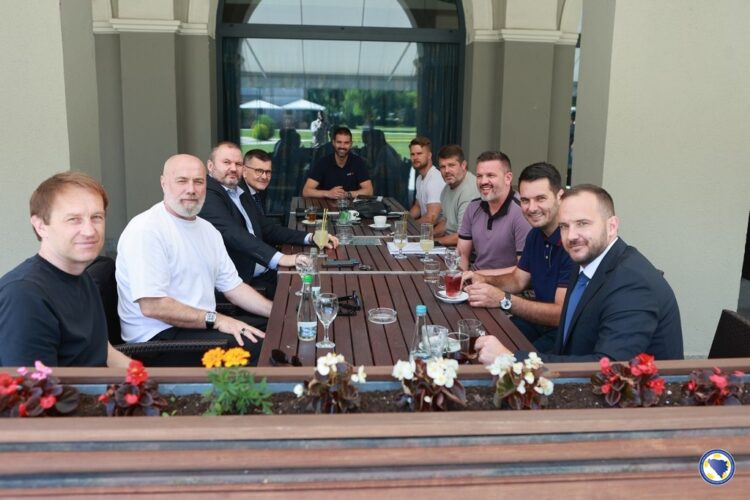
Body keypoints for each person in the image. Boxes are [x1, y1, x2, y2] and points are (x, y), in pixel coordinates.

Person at [477, 184, 684, 364]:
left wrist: (510, 359)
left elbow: (608, 367)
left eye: (583, 223)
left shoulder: (633, 283)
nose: (571, 236)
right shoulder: (585, 261)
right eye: (564, 226)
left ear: (612, 226)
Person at [116, 154, 273, 366]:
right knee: (264, 348)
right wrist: (217, 319)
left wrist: (276, 313)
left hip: (198, 326)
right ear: (163, 183)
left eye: (198, 182)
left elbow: (234, 288)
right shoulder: (146, 230)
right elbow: (153, 306)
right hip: (158, 341)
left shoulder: (207, 230)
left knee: (277, 329)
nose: (191, 189)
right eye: (182, 181)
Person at [0, 172, 131, 367]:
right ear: (40, 226)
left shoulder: (82, 277)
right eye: (74, 219)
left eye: (96, 217)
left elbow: (101, 350)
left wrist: (146, 378)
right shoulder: (24, 294)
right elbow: (33, 383)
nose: (89, 231)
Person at [199, 144, 337, 298]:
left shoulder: (237, 192)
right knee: (304, 295)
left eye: (238, 164)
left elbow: (267, 228)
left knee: (320, 281)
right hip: (243, 281)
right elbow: (234, 233)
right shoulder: (208, 194)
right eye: (226, 162)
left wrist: (310, 237)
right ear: (210, 166)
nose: (233, 168)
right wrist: (282, 258)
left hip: (263, 269)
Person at [463, 163, 573, 352]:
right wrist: (483, 278)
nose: (532, 208)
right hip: (537, 323)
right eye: (525, 200)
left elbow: (560, 315)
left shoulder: (573, 241)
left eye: (540, 199)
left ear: (560, 196)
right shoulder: (535, 234)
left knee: (500, 357)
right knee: (474, 341)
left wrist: (503, 299)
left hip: (563, 335)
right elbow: (518, 280)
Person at [457, 151, 531, 274]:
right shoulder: (473, 207)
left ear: (508, 178)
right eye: (479, 176)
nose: (483, 181)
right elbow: (462, 255)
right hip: (473, 280)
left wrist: (481, 276)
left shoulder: (522, 212)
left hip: (506, 283)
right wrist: (459, 278)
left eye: (490, 175)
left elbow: (524, 270)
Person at [302, 126, 374, 199]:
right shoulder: (323, 162)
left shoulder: (357, 162)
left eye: (346, 143)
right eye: (339, 142)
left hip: (351, 205)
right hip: (325, 205)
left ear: (351, 144)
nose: (342, 146)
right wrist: (328, 193)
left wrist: (347, 194)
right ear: (333, 143)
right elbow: (306, 191)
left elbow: (369, 191)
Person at [433, 145, 479, 247]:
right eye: (442, 167)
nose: (447, 171)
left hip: (467, 250)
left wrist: (433, 242)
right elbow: (445, 222)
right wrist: (427, 236)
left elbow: (464, 236)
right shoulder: (446, 189)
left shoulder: (469, 191)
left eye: (451, 165)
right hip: (449, 246)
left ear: (463, 165)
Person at [408, 136, 445, 224]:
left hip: (438, 230)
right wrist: (403, 220)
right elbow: (418, 207)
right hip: (426, 229)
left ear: (429, 155)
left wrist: (409, 226)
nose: (415, 157)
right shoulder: (419, 178)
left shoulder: (435, 179)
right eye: (412, 154)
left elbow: (431, 218)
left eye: (419, 153)